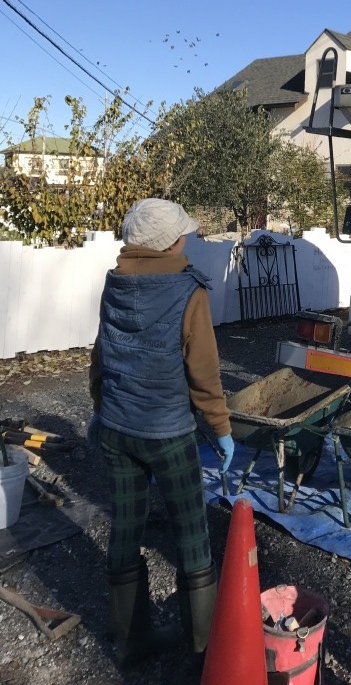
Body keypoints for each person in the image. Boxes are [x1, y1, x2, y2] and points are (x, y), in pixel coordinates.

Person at [88, 198, 234, 669]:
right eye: (183, 234)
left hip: (117, 429)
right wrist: (221, 427)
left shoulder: (116, 281)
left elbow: (102, 352)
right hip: (167, 432)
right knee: (191, 532)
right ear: (170, 243)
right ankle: (203, 652)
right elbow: (204, 372)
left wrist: (99, 408)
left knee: (125, 528)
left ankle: (130, 643)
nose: (187, 238)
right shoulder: (188, 290)